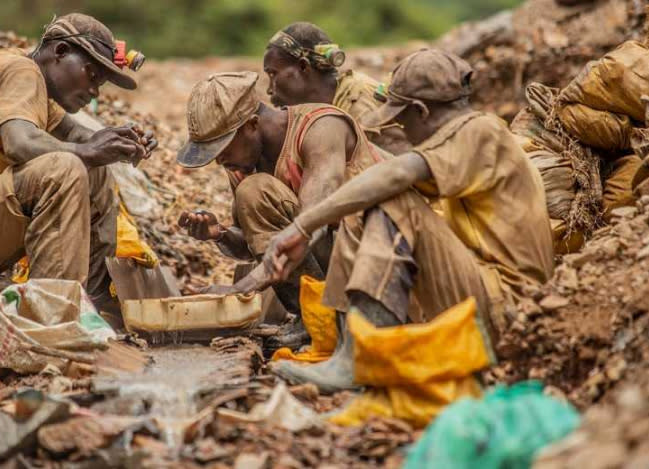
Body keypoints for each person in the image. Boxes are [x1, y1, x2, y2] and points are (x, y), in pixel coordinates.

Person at [263, 48, 555, 392]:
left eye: (403, 120)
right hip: (482, 291)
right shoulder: (464, 143)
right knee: (366, 198)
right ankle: (349, 348)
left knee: (391, 198)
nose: (402, 130)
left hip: (508, 306)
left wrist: (301, 226)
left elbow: (395, 175)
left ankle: (361, 359)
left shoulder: (481, 132)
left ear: (421, 111)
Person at [0, 13, 157, 318]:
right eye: (91, 75)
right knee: (66, 166)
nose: (94, 92)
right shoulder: (21, 69)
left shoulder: (36, 91)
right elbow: (20, 143)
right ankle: (52, 319)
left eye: (99, 85)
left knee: (95, 166)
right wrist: (88, 150)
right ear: (60, 52)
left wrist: (120, 142)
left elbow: (78, 135)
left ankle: (94, 301)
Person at [175, 71, 387, 328]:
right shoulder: (241, 164)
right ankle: (314, 320)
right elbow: (258, 244)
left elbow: (311, 225)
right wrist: (219, 234)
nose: (219, 161)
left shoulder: (321, 128)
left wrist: (241, 289)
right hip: (336, 267)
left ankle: (336, 320)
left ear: (252, 125)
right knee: (253, 191)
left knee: (255, 190)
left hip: (381, 262)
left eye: (222, 148)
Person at [263, 22, 411, 154]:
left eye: (273, 74)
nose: (270, 90)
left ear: (303, 67)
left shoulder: (359, 105)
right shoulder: (326, 107)